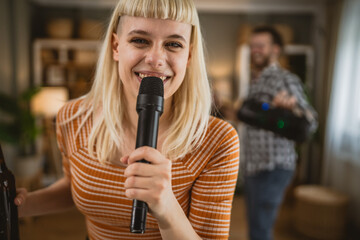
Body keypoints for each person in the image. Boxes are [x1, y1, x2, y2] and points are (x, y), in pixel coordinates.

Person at [15, 0, 240, 239]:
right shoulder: (72, 119)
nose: (155, 58)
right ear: (115, 46)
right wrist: (20, 205)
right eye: (140, 40)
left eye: (173, 44)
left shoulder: (218, 142)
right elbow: (77, 187)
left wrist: (166, 207)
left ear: (189, 55)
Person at [239, 26, 318, 240]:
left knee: (261, 229)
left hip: (272, 167)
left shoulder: (285, 80)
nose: (255, 50)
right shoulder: (257, 81)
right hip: (254, 166)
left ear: (275, 49)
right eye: (252, 45)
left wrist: (293, 111)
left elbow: (310, 123)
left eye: (261, 45)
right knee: (256, 226)